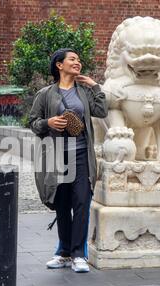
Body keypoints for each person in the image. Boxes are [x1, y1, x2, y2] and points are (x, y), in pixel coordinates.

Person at [29, 48, 107, 273]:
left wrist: (94, 86)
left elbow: (101, 111)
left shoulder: (83, 92)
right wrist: (49, 123)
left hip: (81, 155)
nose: (77, 63)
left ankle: (78, 255)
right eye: (72, 59)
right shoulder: (45, 94)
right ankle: (64, 253)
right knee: (62, 204)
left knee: (82, 202)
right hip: (56, 156)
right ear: (59, 65)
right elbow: (33, 122)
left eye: (79, 60)